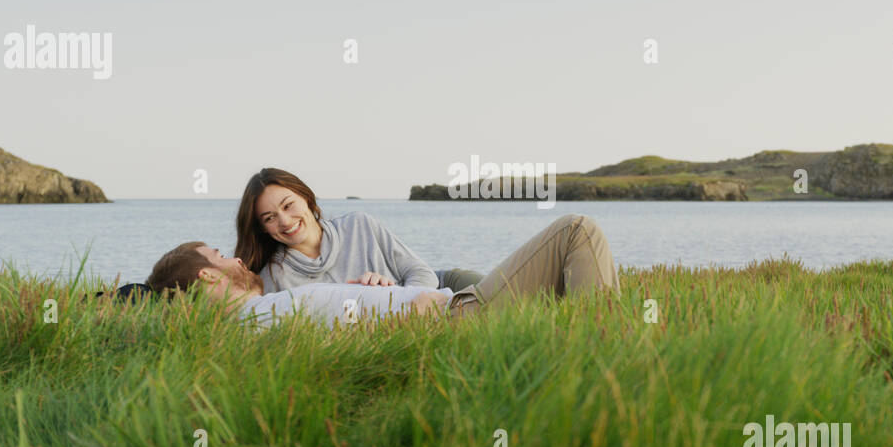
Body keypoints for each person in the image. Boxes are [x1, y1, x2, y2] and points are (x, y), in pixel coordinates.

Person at [148, 214, 618, 327]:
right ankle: (602, 343)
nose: (233, 258)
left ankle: (590, 333)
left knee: (564, 278)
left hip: (446, 295)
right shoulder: (267, 309)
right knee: (576, 230)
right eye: (218, 255)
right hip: (458, 315)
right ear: (209, 276)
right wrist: (415, 310)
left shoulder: (258, 313)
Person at [234, 168, 482, 293]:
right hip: (405, 313)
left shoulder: (359, 224)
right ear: (263, 229)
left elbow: (420, 272)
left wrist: (397, 298)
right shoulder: (275, 277)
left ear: (306, 198)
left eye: (289, 205)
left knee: (512, 288)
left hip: (436, 284)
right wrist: (376, 303)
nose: (285, 221)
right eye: (270, 218)